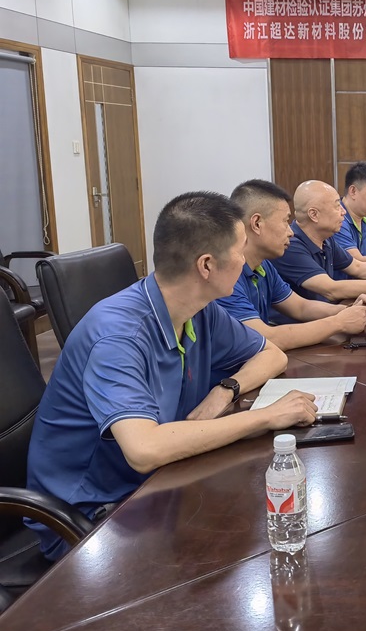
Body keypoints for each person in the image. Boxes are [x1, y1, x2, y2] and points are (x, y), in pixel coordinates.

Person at [25, 192, 319, 560]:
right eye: (239, 251)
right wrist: (266, 416)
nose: (245, 261)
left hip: (158, 483)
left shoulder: (198, 310)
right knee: (257, 546)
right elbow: (144, 450)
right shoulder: (118, 336)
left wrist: (225, 390)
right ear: (206, 265)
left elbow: (271, 354)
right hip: (91, 517)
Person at [218, 180, 366, 351]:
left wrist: (349, 310)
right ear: (257, 224)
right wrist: (339, 322)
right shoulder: (227, 275)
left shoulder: (263, 266)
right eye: (284, 221)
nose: (290, 231)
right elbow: (266, 338)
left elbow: (301, 307)